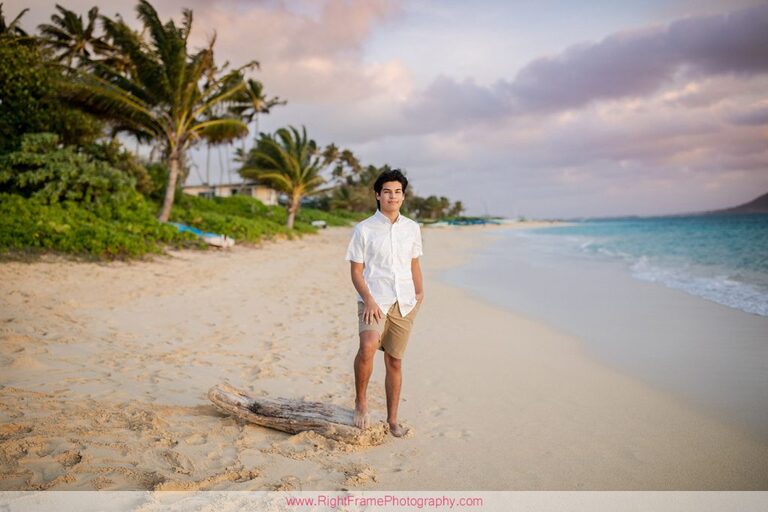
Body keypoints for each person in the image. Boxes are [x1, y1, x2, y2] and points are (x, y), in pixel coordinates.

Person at [344, 169, 424, 437]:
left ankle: (392, 421)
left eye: (398, 192)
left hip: (405, 301)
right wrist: (368, 300)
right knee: (367, 348)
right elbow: (356, 271)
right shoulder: (364, 229)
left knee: (395, 361)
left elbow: (414, 264)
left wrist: (420, 295)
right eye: (387, 192)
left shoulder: (412, 228)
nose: (393, 196)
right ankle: (361, 402)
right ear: (378, 195)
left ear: (403, 196)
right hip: (373, 300)